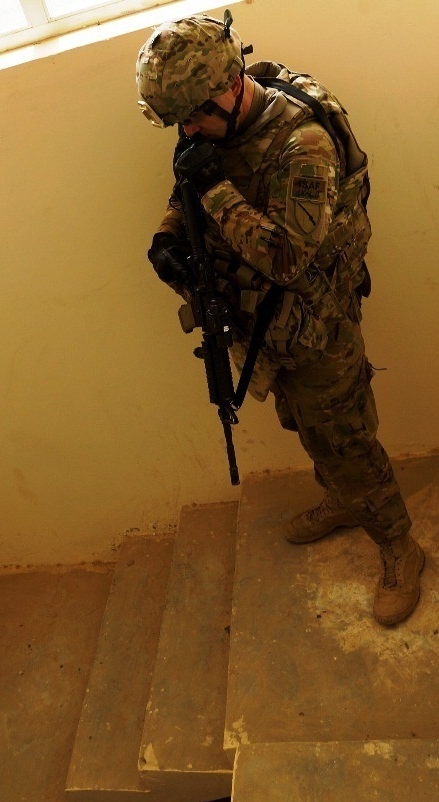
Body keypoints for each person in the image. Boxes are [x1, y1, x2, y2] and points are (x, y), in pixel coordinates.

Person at [135, 10, 425, 626]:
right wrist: (169, 235)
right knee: (302, 423)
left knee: (345, 438)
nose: (186, 132)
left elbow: (289, 258)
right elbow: (185, 186)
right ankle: (345, 500)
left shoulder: (304, 145)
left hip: (317, 327)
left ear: (230, 86)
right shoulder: (208, 121)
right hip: (269, 327)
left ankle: (399, 545)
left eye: (193, 118)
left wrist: (214, 192)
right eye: (179, 122)